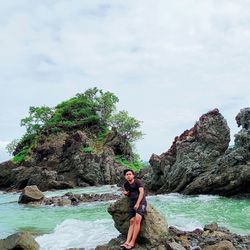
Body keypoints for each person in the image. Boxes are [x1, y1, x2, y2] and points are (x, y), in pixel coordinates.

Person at [120, 169, 147, 249]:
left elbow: (142, 193)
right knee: (131, 221)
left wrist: (138, 203)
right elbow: (129, 194)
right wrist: (126, 194)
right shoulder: (126, 185)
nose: (128, 176)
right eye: (127, 174)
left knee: (137, 220)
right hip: (132, 203)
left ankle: (132, 242)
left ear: (133, 175)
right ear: (125, 176)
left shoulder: (138, 182)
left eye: (130, 174)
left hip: (141, 202)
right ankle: (127, 241)